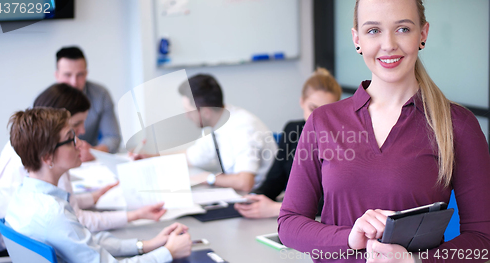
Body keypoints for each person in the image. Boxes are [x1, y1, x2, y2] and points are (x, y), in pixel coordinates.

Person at [277, 0, 490, 262]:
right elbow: (289, 223)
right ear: (357, 39)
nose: (388, 44)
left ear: (422, 34)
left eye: (402, 29)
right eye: (373, 30)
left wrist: (414, 260)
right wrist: (349, 238)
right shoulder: (323, 121)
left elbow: (483, 241)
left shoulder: (458, 124)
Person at [0, 84, 168, 255]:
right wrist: (138, 220)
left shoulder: (30, 161)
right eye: (73, 131)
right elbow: (74, 220)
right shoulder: (46, 170)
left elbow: (62, 205)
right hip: (11, 247)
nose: (81, 136)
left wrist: (92, 197)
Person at [5, 107, 192, 262]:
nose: (79, 144)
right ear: (47, 157)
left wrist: (145, 245)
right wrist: (168, 252)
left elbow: (86, 241)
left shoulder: (23, 197)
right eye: (71, 139)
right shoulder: (53, 215)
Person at [234, 68, 341, 218]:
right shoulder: (293, 130)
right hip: (290, 216)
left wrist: (276, 208)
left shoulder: (343, 140)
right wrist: (253, 198)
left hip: (318, 221)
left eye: (326, 111)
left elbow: (336, 202)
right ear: (301, 102)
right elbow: (275, 179)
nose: (317, 118)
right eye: (313, 109)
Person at [178, 74, 278, 192]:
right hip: (239, 194)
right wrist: (151, 157)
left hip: (260, 197)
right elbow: (191, 157)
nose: (187, 116)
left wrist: (209, 178)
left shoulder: (243, 129)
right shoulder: (218, 123)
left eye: (189, 111)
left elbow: (245, 183)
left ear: (206, 113)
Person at [55, 46, 121, 156]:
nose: (74, 82)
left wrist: (92, 152)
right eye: (68, 75)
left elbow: (112, 137)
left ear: (86, 74)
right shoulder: (44, 101)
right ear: (57, 75)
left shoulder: (101, 95)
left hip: (89, 162)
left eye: (80, 75)